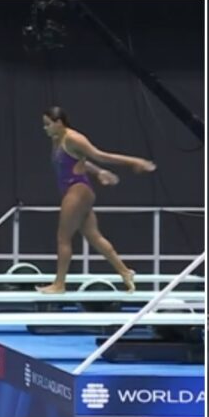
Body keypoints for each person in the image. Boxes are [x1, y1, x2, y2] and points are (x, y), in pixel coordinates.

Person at [37, 106, 156, 294]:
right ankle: (125, 272)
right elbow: (81, 161)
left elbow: (101, 155)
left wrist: (134, 161)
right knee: (94, 237)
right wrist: (99, 172)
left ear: (59, 123)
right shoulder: (57, 139)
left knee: (63, 238)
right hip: (77, 190)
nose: (45, 128)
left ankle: (59, 284)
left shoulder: (74, 138)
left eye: (47, 124)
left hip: (77, 190)